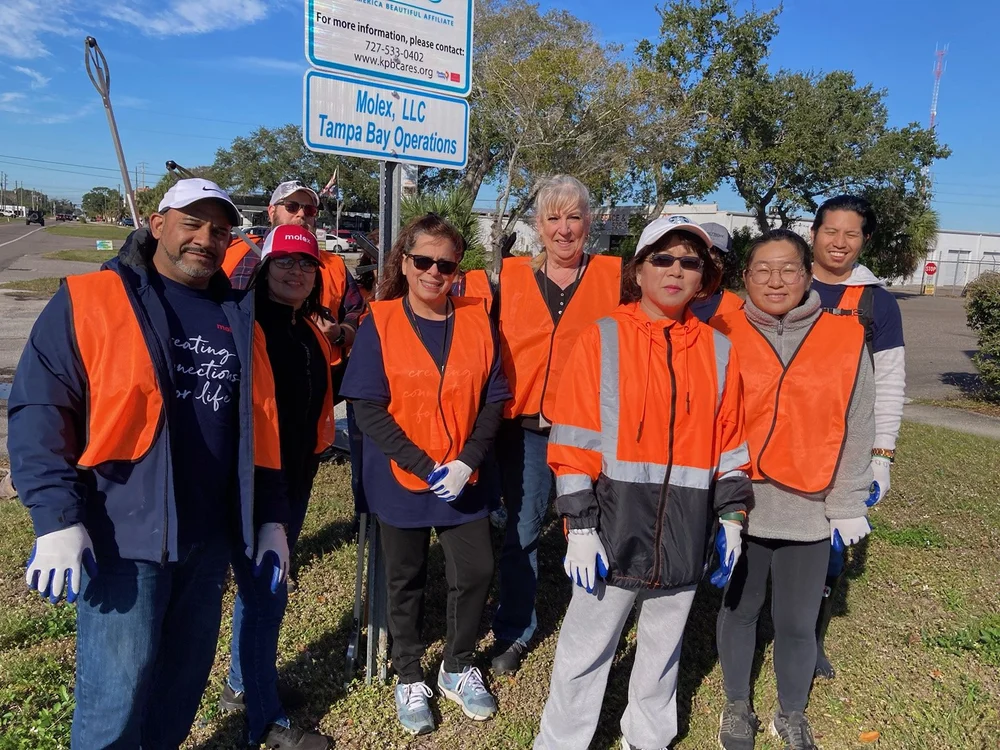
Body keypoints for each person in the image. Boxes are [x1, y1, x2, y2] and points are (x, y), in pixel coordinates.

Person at [10, 178, 291, 747]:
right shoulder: (92, 298)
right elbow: (41, 407)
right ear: (157, 224)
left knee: (177, 696)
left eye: (219, 230)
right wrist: (56, 518)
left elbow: (260, 427)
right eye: (192, 223)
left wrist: (272, 518)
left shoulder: (240, 319)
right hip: (122, 539)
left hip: (207, 543)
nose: (205, 239)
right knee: (112, 707)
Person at [534, 216, 753, 750]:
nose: (676, 270)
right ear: (640, 268)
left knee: (663, 648)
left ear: (705, 276)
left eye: (690, 262)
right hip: (612, 527)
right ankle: (561, 741)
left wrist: (731, 516)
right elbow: (573, 443)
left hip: (686, 528)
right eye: (664, 258)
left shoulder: (720, 351)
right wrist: (580, 525)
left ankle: (648, 737)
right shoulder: (602, 338)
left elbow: (730, 445)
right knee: (586, 648)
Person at [340, 214, 511, 736]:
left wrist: (467, 461)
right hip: (402, 479)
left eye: (446, 263)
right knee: (404, 578)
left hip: (464, 477)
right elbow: (367, 407)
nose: (434, 271)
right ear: (405, 263)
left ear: (457, 268)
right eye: (424, 261)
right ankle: (408, 671)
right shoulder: (382, 320)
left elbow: (494, 398)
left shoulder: (479, 318)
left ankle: (458, 665)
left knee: (477, 570)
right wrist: (424, 465)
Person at [712, 229, 875, 750]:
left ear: (808, 276)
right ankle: (737, 706)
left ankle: (791, 713)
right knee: (739, 610)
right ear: (745, 277)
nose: (775, 280)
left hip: (810, 508)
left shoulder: (846, 338)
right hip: (742, 505)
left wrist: (847, 502)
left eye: (788, 269)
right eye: (762, 269)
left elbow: (858, 424)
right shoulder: (721, 333)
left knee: (798, 622)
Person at [491, 174, 622, 675]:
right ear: (537, 225)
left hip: (592, 430)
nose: (564, 229)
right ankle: (515, 629)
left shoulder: (617, 279)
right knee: (522, 530)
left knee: (593, 529)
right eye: (553, 218)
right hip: (525, 428)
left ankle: (591, 629)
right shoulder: (511, 278)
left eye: (574, 217)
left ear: (591, 222)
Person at [220, 226, 336, 749]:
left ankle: (244, 684)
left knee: (266, 591)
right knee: (266, 593)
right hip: (250, 483)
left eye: (306, 264)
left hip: (295, 477)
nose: (295, 271)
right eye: (285, 261)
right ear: (265, 265)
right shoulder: (241, 323)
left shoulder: (306, 329)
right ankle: (264, 721)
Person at [809, 195, 904, 679]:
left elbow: (889, 383)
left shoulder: (876, 302)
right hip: (781, 445)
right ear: (814, 233)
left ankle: (812, 638)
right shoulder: (785, 284)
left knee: (830, 552)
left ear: (865, 241)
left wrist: (882, 456)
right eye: (831, 231)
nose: (839, 242)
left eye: (852, 234)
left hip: (845, 450)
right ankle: (758, 621)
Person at [227, 180, 364, 359]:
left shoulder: (334, 264)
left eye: (309, 210)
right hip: (240, 364)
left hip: (314, 371)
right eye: (291, 206)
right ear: (271, 211)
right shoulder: (234, 250)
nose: (301, 215)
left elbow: (358, 316)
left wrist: (339, 334)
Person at [690, 221, 744, 324]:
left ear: (725, 266)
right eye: (700, 259)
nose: (706, 267)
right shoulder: (668, 301)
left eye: (715, 262)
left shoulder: (737, 308)